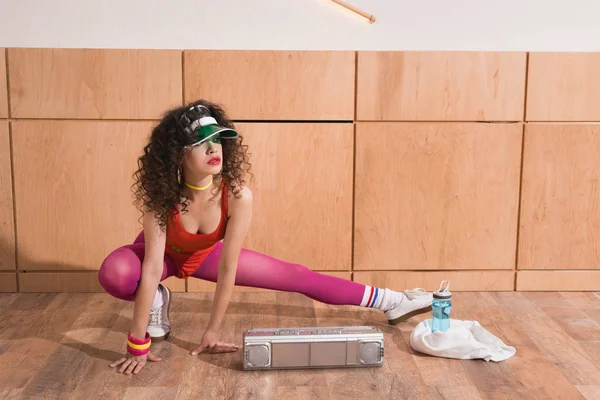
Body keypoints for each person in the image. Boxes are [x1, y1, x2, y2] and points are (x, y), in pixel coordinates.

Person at [98, 100, 433, 375]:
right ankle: (157, 301)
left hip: (203, 256)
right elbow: (153, 267)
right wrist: (137, 346)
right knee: (118, 273)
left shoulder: (238, 195)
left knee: (297, 275)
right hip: (162, 257)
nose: (215, 149)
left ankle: (391, 301)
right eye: (201, 144)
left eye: (218, 139)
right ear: (177, 154)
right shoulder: (161, 201)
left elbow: (228, 268)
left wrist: (212, 331)